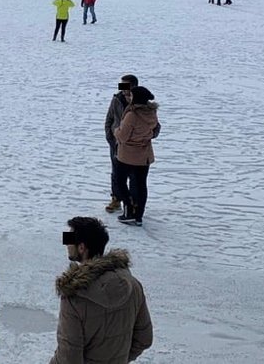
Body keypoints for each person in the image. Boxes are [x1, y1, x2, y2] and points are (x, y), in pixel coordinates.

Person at [50, 217, 153, 363]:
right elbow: (144, 339)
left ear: (81, 247)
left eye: (70, 239)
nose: (66, 243)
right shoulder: (133, 285)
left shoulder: (75, 297)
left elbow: (69, 358)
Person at [114, 86, 160, 226]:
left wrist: (116, 130)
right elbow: (156, 130)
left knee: (120, 181)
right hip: (144, 155)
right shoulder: (152, 113)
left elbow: (123, 136)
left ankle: (128, 210)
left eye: (131, 95)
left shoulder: (132, 115)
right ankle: (139, 215)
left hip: (127, 155)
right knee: (141, 185)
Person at [104, 75, 138, 213]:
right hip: (117, 143)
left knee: (134, 175)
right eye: (122, 86)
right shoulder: (116, 99)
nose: (123, 89)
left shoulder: (141, 101)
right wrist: (110, 138)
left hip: (134, 146)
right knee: (116, 173)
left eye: (126, 86)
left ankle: (133, 202)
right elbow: (109, 119)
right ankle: (116, 198)